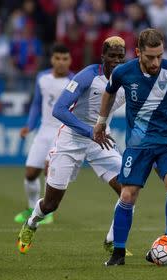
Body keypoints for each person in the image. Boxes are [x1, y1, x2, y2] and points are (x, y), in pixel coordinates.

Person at [17, 36, 131, 256]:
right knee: (51, 204)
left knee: (128, 192)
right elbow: (59, 109)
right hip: (72, 139)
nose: (116, 60)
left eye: (120, 56)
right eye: (112, 56)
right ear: (103, 56)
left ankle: (113, 241)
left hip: (102, 141)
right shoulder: (88, 75)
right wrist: (91, 131)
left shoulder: (127, 80)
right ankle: (31, 223)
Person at [93, 28, 167, 266]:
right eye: (150, 57)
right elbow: (108, 93)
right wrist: (101, 122)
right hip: (138, 146)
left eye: (160, 55)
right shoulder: (123, 72)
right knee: (127, 195)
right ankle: (118, 253)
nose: (156, 62)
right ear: (138, 52)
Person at [14, 43, 73, 225]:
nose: (61, 62)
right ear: (52, 59)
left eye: (65, 59)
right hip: (43, 131)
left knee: (50, 170)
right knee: (31, 173)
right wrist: (29, 126)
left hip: (62, 133)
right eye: (57, 58)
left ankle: (46, 212)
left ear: (70, 60)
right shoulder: (42, 78)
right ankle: (34, 209)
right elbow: (36, 105)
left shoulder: (75, 81)